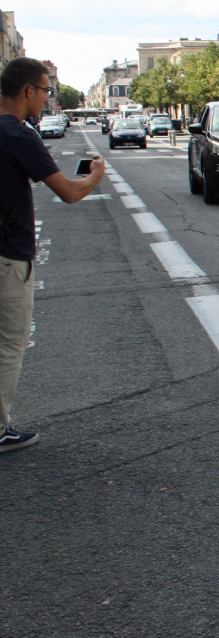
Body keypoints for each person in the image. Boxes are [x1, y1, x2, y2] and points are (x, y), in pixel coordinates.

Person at [0, 58, 105, 452]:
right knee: (10, 342)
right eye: (46, 90)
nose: (47, 98)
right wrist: (95, 175)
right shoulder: (19, 135)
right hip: (8, 254)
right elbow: (69, 191)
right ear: (28, 91)